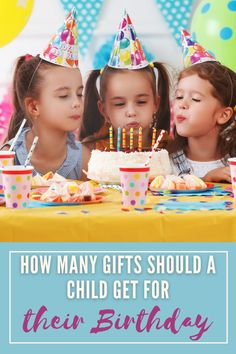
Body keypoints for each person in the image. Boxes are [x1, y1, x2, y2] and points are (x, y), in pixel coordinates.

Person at [2, 9, 90, 180]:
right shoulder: (9, 159)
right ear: (34, 106)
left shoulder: (84, 159)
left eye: (79, 94)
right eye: (64, 95)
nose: (76, 103)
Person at [80, 11, 171, 151]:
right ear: (104, 110)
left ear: (155, 104)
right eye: (119, 104)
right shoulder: (92, 150)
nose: (131, 112)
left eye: (141, 102)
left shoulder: (168, 145)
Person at [169, 30, 236, 182]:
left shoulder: (233, 163)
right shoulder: (166, 164)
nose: (182, 104)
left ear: (223, 115)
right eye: (179, 96)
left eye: (195, 99)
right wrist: (207, 179)